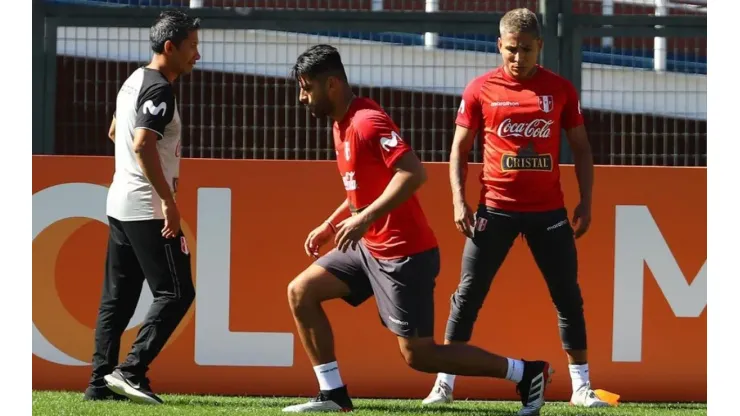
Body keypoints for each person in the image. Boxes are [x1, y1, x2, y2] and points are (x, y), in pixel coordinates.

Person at [282, 44, 553, 416]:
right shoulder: (340, 123)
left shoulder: (366, 122)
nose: (302, 97)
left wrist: (361, 220)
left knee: (419, 355)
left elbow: (414, 172)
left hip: (403, 254)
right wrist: (331, 225)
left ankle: (525, 373)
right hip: (368, 249)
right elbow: (361, 190)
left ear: (331, 84)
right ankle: (332, 393)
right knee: (301, 292)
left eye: (306, 88)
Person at [420, 8, 611, 409]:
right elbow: (459, 147)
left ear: (540, 46)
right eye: (511, 49)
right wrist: (458, 198)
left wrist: (587, 202)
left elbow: (581, 148)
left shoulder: (560, 89)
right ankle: (444, 383)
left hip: (549, 213)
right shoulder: (479, 89)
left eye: (526, 49)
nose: (518, 57)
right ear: (499, 45)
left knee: (567, 297)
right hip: (495, 210)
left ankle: (581, 387)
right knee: (467, 296)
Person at [82, 10, 201, 405]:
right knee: (177, 292)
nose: (196, 56)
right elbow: (140, 143)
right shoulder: (160, 90)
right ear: (170, 47)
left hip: (119, 201)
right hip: (147, 207)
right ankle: (130, 371)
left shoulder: (133, 79)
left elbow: (116, 130)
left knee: (117, 298)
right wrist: (168, 200)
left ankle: (99, 383)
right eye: (191, 48)